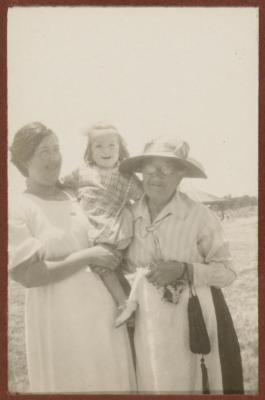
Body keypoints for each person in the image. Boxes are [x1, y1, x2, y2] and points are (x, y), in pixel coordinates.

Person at [8, 122, 136, 393]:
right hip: (58, 321)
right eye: (43, 151)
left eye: (56, 149)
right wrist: (89, 255)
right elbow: (28, 275)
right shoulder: (18, 207)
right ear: (23, 159)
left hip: (103, 314)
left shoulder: (76, 194)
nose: (54, 158)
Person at [119, 137, 244, 394]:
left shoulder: (199, 215)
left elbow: (228, 273)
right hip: (148, 321)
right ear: (141, 172)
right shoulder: (128, 215)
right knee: (154, 380)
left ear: (181, 176)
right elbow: (122, 265)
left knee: (193, 382)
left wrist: (184, 270)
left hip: (193, 317)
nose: (158, 176)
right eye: (151, 168)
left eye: (168, 169)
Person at [62, 123, 142, 326]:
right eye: (99, 146)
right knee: (100, 266)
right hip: (89, 226)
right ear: (90, 150)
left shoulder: (125, 176)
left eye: (111, 145)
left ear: (120, 148)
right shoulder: (82, 171)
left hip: (111, 227)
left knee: (104, 264)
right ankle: (126, 303)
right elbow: (61, 184)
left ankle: (125, 305)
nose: (106, 151)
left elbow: (143, 197)